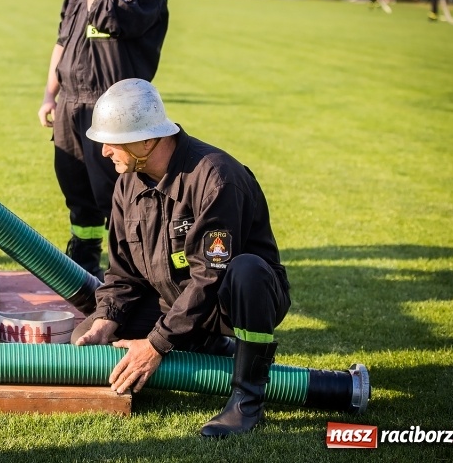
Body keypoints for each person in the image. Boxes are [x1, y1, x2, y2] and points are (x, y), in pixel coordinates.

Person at [71, 79, 291, 438]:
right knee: (87, 337)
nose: (104, 151)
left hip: (229, 301)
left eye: (114, 141)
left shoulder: (217, 179)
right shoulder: (128, 183)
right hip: (174, 301)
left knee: (246, 270)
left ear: (148, 140)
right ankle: (209, 347)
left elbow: (211, 277)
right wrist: (105, 319)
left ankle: (247, 400)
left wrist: (157, 344)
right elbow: (123, 274)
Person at [37, 0, 169, 282]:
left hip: (114, 109)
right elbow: (63, 41)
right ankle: (83, 264)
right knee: (77, 194)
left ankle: (133, 276)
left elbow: (106, 16)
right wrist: (50, 94)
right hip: (71, 103)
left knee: (118, 198)